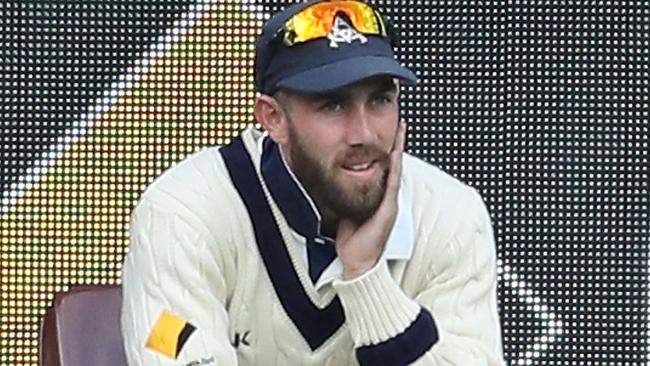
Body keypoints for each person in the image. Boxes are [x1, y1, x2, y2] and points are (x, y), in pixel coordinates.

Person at [120, 0, 505, 365]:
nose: (365, 134)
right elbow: (169, 344)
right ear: (273, 119)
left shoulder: (450, 214)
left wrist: (368, 280)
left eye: (380, 100)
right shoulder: (181, 213)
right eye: (332, 105)